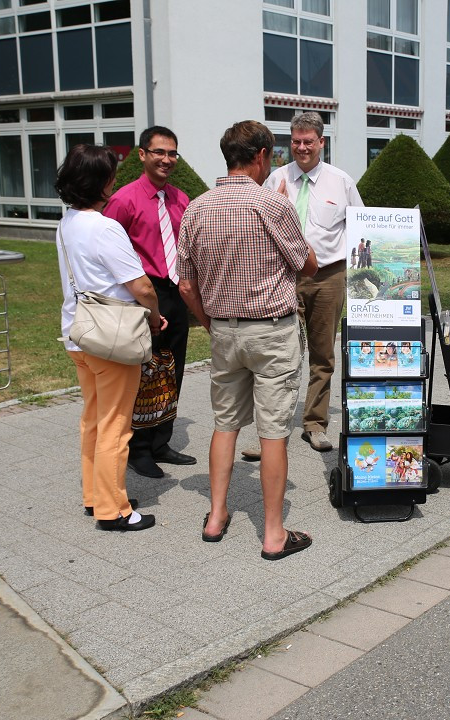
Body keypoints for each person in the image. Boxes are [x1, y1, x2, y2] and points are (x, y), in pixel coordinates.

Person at [177, 120, 318, 559]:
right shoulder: (272, 205)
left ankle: (216, 516)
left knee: (225, 424)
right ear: (260, 155)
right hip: (272, 331)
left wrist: (210, 322)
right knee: (273, 432)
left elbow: (185, 285)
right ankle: (273, 534)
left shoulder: (196, 208)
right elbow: (308, 265)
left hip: (224, 330)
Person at [54, 145, 166, 532]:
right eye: (111, 175)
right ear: (101, 183)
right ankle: (112, 510)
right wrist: (154, 317)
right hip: (112, 339)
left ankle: (95, 495)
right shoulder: (104, 227)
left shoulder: (66, 221)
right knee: (116, 427)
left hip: (79, 333)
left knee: (94, 421)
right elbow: (142, 286)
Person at [263, 111, 363, 453]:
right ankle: (271, 430)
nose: (302, 147)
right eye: (296, 141)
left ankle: (314, 424)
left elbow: (358, 228)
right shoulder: (276, 179)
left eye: (308, 141)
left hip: (327, 277)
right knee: (279, 353)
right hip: (284, 277)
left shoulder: (341, 181)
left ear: (322, 142)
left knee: (322, 354)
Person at [103, 126, 196, 479]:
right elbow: (109, 252)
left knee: (173, 370)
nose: (167, 159)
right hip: (141, 295)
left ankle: (161, 441)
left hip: (174, 292)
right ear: (142, 154)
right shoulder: (123, 201)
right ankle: (138, 449)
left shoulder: (181, 199)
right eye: (159, 152)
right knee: (143, 373)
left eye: (172, 153)